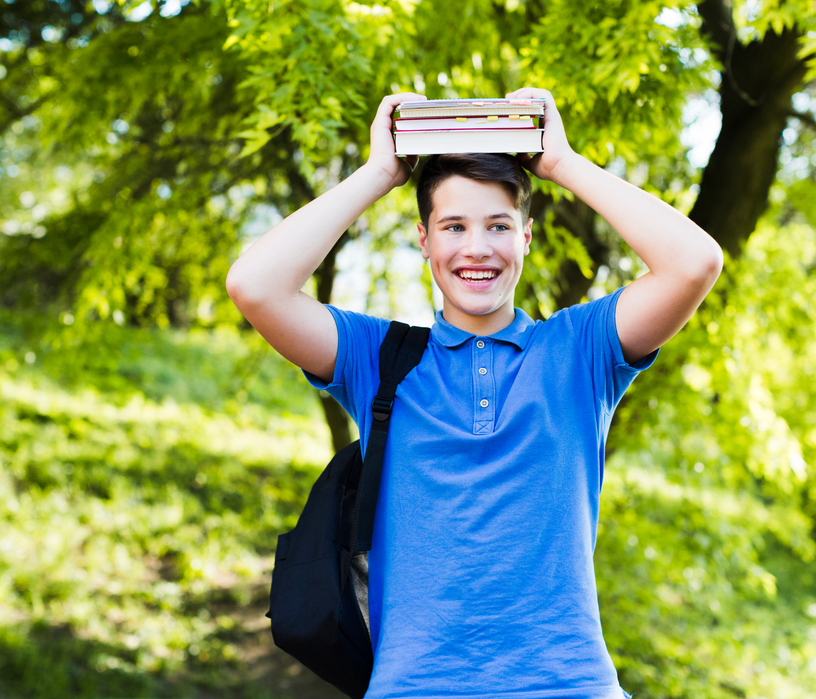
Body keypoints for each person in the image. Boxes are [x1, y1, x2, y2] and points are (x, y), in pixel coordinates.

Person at [226, 88, 723, 699]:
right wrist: (380, 172)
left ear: (527, 237)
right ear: (424, 239)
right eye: (453, 226)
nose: (477, 248)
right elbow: (254, 285)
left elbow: (695, 262)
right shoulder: (376, 359)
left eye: (499, 225)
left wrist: (560, 162)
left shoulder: (580, 351)